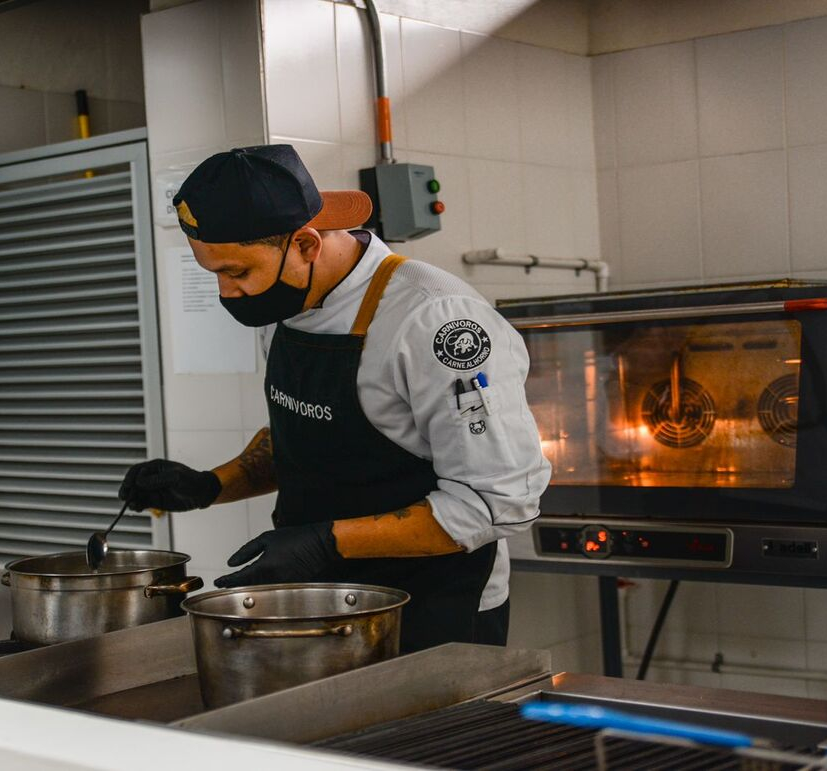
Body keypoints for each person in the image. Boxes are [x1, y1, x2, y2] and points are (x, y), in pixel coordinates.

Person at [120, 145, 549, 652]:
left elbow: (498, 502)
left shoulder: (434, 319)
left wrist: (325, 543)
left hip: (431, 609)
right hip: (322, 598)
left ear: (305, 243)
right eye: (213, 273)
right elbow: (316, 436)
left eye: (236, 273)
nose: (227, 293)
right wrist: (212, 485)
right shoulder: (292, 300)